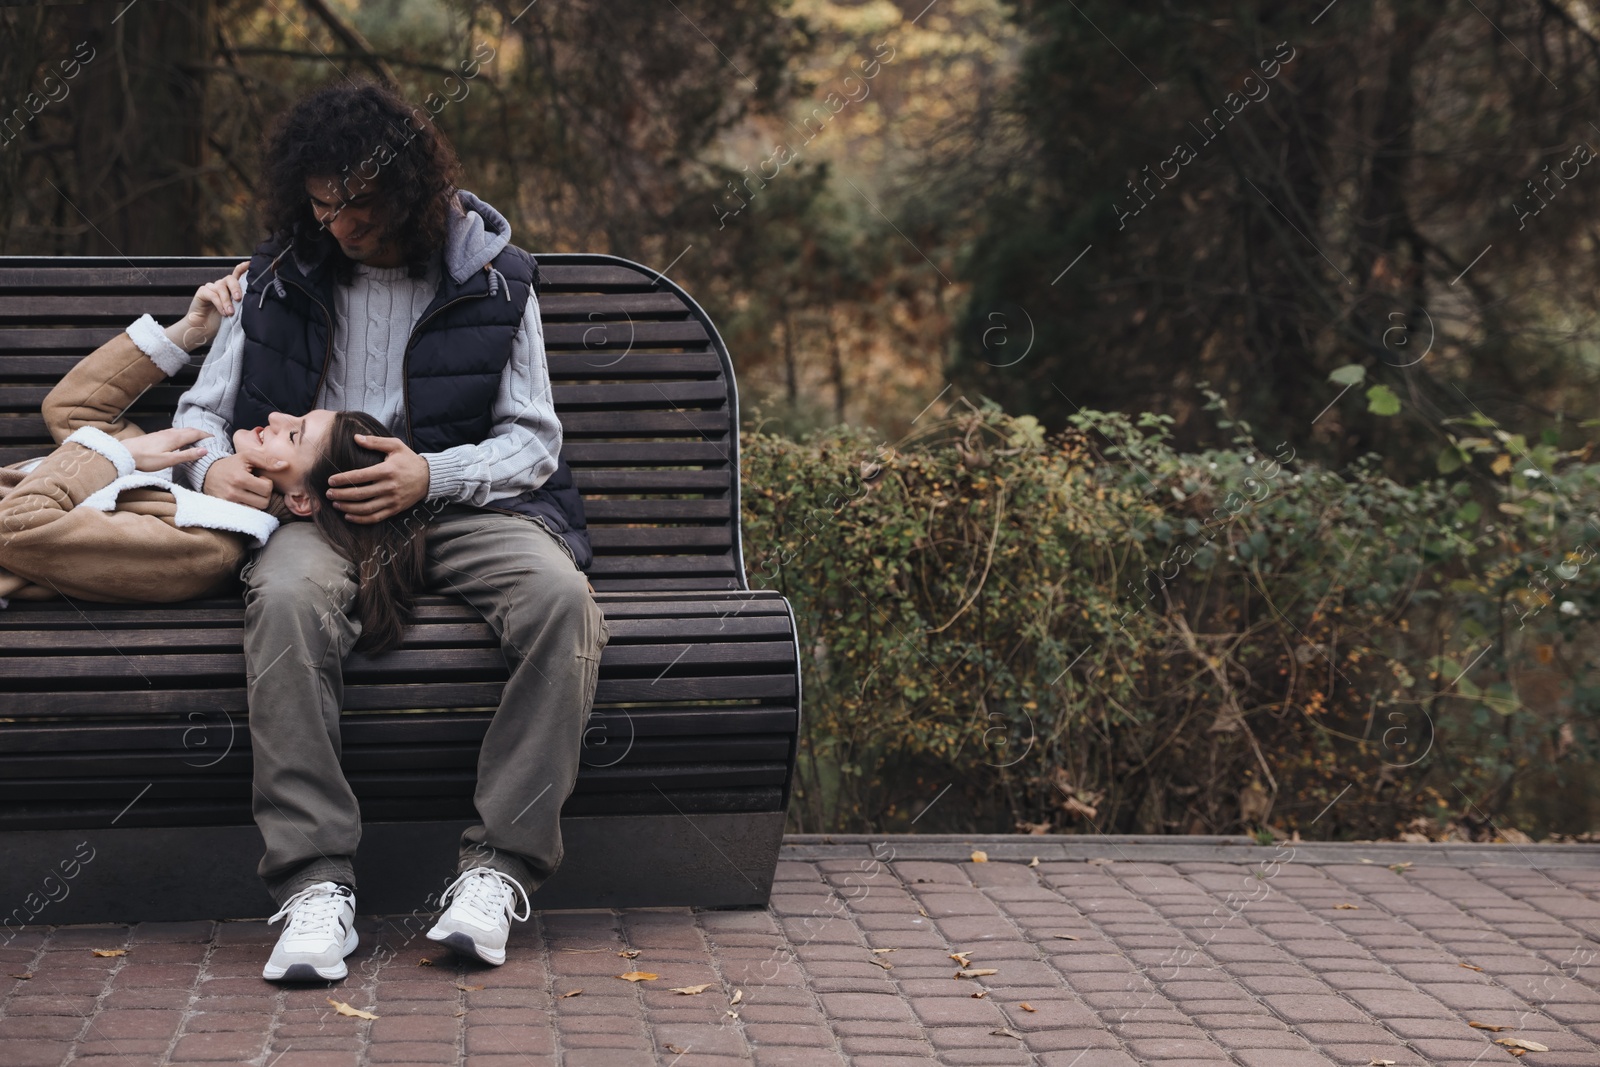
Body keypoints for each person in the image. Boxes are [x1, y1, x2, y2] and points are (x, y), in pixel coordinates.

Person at [171, 80, 606, 983]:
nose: (338, 224)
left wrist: (429, 472)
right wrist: (213, 467)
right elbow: (201, 416)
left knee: (562, 602)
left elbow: (533, 440)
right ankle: (314, 884)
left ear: (408, 189)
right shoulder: (280, 274)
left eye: (359, 203)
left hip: (461, 504)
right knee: (286, 599)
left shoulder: (494, 277)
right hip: (316, 514)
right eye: (322, 203)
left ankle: (496, 871)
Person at [0, 265, 279, 604]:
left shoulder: (207, 550)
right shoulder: (173, 466)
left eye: (298, 435)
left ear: (302, 500)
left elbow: (15, 529)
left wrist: (118, 456)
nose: (280, 417)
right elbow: (71, 411)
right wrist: (193, 331)